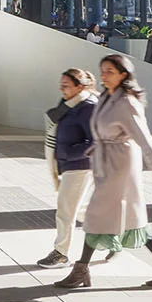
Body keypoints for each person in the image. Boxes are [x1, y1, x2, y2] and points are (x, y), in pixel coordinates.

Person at [56, 53, 152, 290]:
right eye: (102, 70)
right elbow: (101, 131)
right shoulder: (106, 97)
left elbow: (146, 140)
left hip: (120, 166)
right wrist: (94, 149)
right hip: (107, 162)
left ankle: (80, 270)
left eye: (110, 72)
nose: (103, 75)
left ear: (124, 75)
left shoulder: (127, 102)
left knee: (96, 215)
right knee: (130, 218)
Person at [37, 67, 98, 267]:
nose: (62, 89)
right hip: (70, 164)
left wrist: (68, 153)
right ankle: (113, 230)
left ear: (79, 86)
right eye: (60, 85)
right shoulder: (69, 104)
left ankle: (61, 253)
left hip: (80, 166)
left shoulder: (87, 106)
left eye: (66, 85)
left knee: (64, 210)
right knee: (76, 209)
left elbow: (95, 140)